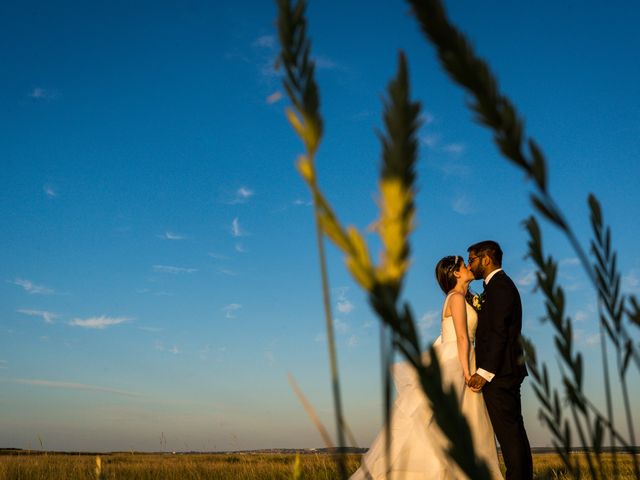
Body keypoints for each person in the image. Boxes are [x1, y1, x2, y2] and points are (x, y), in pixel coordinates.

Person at [350, 255, 503, 479]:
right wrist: (467, 373)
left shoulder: (458, 297)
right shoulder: (457, 298)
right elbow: (461, 337)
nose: (469, 267)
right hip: (460, 360)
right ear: (456, 273)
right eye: (464, 265)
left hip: (457, 357)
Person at [466, 240, 533, 480]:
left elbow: (498, 332)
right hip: (506, 370)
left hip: (500, 373)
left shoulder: (501, 287)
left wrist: (484, 372)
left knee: (509, 435)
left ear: (486, 259)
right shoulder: (494, 288)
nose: (469, 265)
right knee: (514, 431)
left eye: (472, 260)